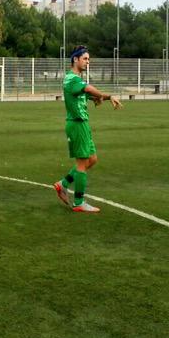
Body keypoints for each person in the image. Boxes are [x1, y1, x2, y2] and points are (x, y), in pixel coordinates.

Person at [52, 45, 123, 213]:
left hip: (83, 124)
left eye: (89, 59)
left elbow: (90, 94)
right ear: (75, 60)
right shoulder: (72, 79)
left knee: (92, 160)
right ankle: (79, 202)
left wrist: (108, 97)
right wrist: (100, 95)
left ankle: (62, 184)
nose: (87, 62)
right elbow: (89, 89)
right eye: (85, 58)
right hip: (76, 124)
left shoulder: (77, 81)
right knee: (82, 164)